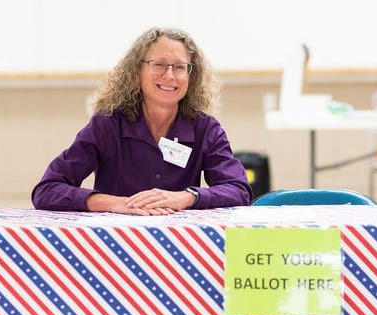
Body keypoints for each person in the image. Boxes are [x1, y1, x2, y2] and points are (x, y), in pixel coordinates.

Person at [32, 27, 251, 214]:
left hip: (181, 243)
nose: (170, 75)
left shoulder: (205, 129)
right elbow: (47, 190)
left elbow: (238, 190)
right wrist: (117, 203)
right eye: (159, 64)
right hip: (113, 241)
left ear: (190, 76)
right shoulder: (107, 125)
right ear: (137, 70)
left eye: (179, 67)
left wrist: (186, 197)